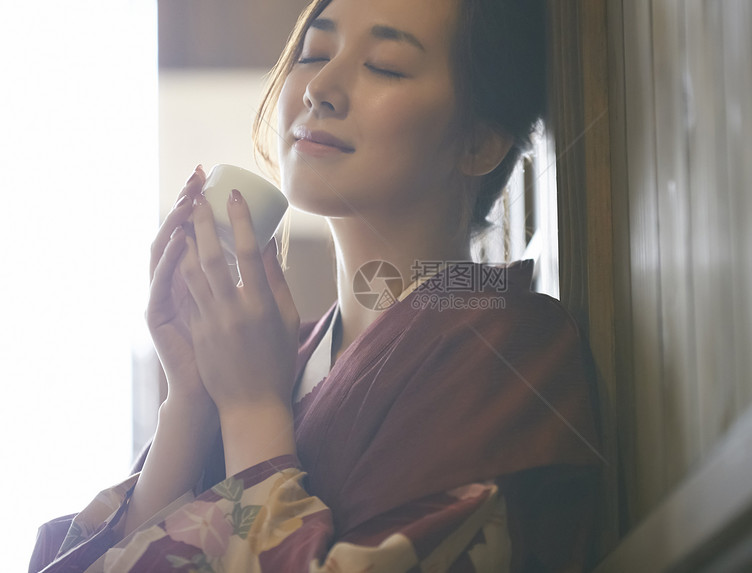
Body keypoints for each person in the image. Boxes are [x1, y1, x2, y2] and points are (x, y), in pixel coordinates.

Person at [30, 0, 602, 570]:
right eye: (313, 53)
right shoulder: (282, 358)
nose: (319, 86)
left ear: (479, 141)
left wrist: (253, 410)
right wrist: (192, 400)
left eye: (385, 65)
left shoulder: (507, 347)